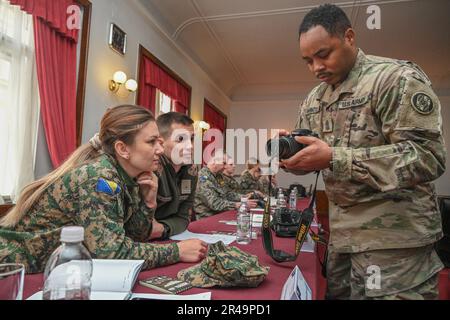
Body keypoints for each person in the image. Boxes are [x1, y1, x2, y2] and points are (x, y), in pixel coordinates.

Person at [281, 4, 446, 299]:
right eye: (307, 61)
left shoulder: (395, 79)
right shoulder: (314, 99)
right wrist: (293, 161)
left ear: (349, 37)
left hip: (394, 245)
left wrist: (335, 157)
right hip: (342, 240)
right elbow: (313, 157)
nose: (316, 67)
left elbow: (428, 157)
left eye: (323, 54)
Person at [0, 105, 207, 274]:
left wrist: (149, 202)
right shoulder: (99, 178)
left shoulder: (129, 176)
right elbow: (110, 252)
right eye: (152, 142)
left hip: (49, 268)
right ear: (122, 149)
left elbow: (135, 236)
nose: (160, 150)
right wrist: (176, 250)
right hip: (12, 268)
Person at [151, 112, 198, 239]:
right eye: (181, 139)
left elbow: (184, 217)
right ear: (161, 142)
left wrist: (164, 229)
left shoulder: (191, 170)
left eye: (192, 139)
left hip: (166, 234)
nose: (190, 146)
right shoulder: (150, 167)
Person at [194, 152, 257, 219]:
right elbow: (214, 203)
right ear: (214, 162)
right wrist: (237, 205)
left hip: (221, 214)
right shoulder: (203, 178)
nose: (225, 167)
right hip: (207, 218)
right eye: (224, 163)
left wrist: (243, 198)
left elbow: (227, 193)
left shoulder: (218, 176)